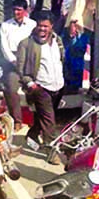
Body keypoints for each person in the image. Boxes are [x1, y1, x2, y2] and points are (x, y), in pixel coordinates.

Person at [16, 11, 65, 157]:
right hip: (40, 87)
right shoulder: (26, 44)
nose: (42, 29)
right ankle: (51, 152)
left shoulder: (58, 41)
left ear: (51, 27)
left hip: (58, 86)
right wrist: (31, 84)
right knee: (49, 121)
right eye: (39, 26)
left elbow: (61, 60)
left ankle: (32, 135)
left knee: (43, 117)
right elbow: (20, 68)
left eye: (45, 26)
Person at [0, 0, 37, 129]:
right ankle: (17, 120)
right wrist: (13, 61)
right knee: (10, 87)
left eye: (19, 10)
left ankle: (36, 121)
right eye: (14, 9)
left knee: (35, 88)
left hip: (29, 61)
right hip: (13, 61)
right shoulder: (6, 25)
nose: (16, 12)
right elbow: (4, 46)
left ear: (25, 11)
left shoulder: (32, 25)